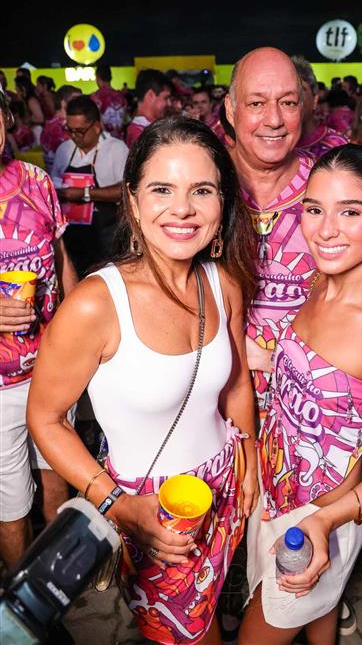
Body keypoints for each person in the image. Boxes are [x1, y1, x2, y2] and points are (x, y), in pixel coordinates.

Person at [224, 46, 362, 638]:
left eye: (350, 213)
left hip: (321, 514)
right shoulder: (316, 287)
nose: (325, 230)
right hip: (276, 490)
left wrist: (329, 521)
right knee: (318, 619)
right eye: (314, 210)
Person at [27, 116, 259, 645]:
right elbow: (45, 418)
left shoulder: (223, 283)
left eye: (202, 190)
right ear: (131, 200)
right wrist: (119, 505)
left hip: (223, 485)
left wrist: (246, 458)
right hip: (149, 509)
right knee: (182, 635)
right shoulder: (96, 304)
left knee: (210, 608)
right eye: (162, 189)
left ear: (222, 203)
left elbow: (236, 382)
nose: (183, 209)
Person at [0, 88, 77, 569]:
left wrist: (81, 337)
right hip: (0, 386)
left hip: (52, 366)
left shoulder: (35, 180)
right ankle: (22, 596)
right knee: (11, 503)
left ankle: (60, 572)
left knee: (57, 475)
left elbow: (63, 260)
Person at [51, 95, 128, 277]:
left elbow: (125, 189)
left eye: (80, 131)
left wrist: (84, 193)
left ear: (96, 126)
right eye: (70, 130)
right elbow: (53, 181)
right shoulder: (64, 150)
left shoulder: (116, 149)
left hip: (105, 234)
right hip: (72, 234)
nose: (74, 136)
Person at [291, 56, 346, 154]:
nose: (293, 97)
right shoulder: (271, 146)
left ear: (315, 100)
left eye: (301, 90)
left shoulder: (337, 145)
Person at [126, 70, 173, 149]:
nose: (169, 103)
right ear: (150, 95)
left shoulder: (147, 128)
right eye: (166, 98)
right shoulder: (140, 133)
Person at [40, 85, 81, 172]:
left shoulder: (51, 124)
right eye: (76, 100)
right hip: (63, 176)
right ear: (63, 103)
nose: (81, 104)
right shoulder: (59, 127)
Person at [91, 63, 127, 140]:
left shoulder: (96, 97)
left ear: (97, 78)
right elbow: (125, 120)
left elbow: (95, 121)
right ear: (111, 78)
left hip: (104, 141)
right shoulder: (122, 97)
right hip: (120, 140)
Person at [15, 77, 44, 145]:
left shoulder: (31, 101)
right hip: (32, 132)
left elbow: (40, 119)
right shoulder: (25, 101)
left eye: (17, 90)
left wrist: (27, 119)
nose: (16, 92)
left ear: (23, 89)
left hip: (37, 132)